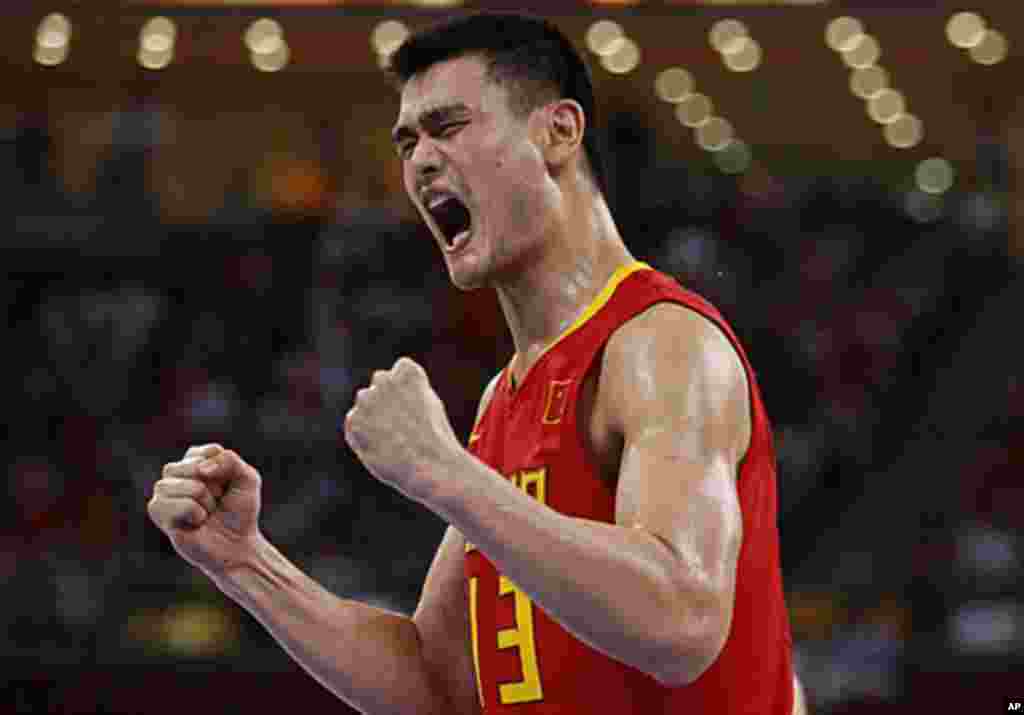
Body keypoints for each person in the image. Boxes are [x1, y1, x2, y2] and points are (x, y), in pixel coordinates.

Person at [148, 12, 805, 715]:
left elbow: (684, 620)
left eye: (449, 126)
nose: (420, 160)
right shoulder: (505, 398)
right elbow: (435, 681)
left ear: (558, 132)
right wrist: (246, 562)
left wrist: (448, 474)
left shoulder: (662, 344)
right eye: (408, 140)